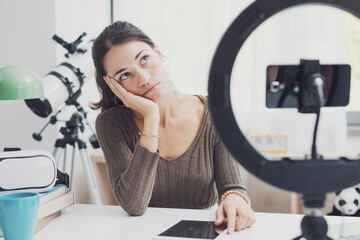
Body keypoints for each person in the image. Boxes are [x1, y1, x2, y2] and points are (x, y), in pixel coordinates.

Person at [91, 21, 256, 233]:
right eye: (125, 75)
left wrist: (235, 199)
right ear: (112, 85)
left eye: (144, 59)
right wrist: (151, 116)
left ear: (157, 52)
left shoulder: (213, 113)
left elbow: (232, 187)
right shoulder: (112, 124)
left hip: (202, 234)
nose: (143, 78)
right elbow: (133, 205)